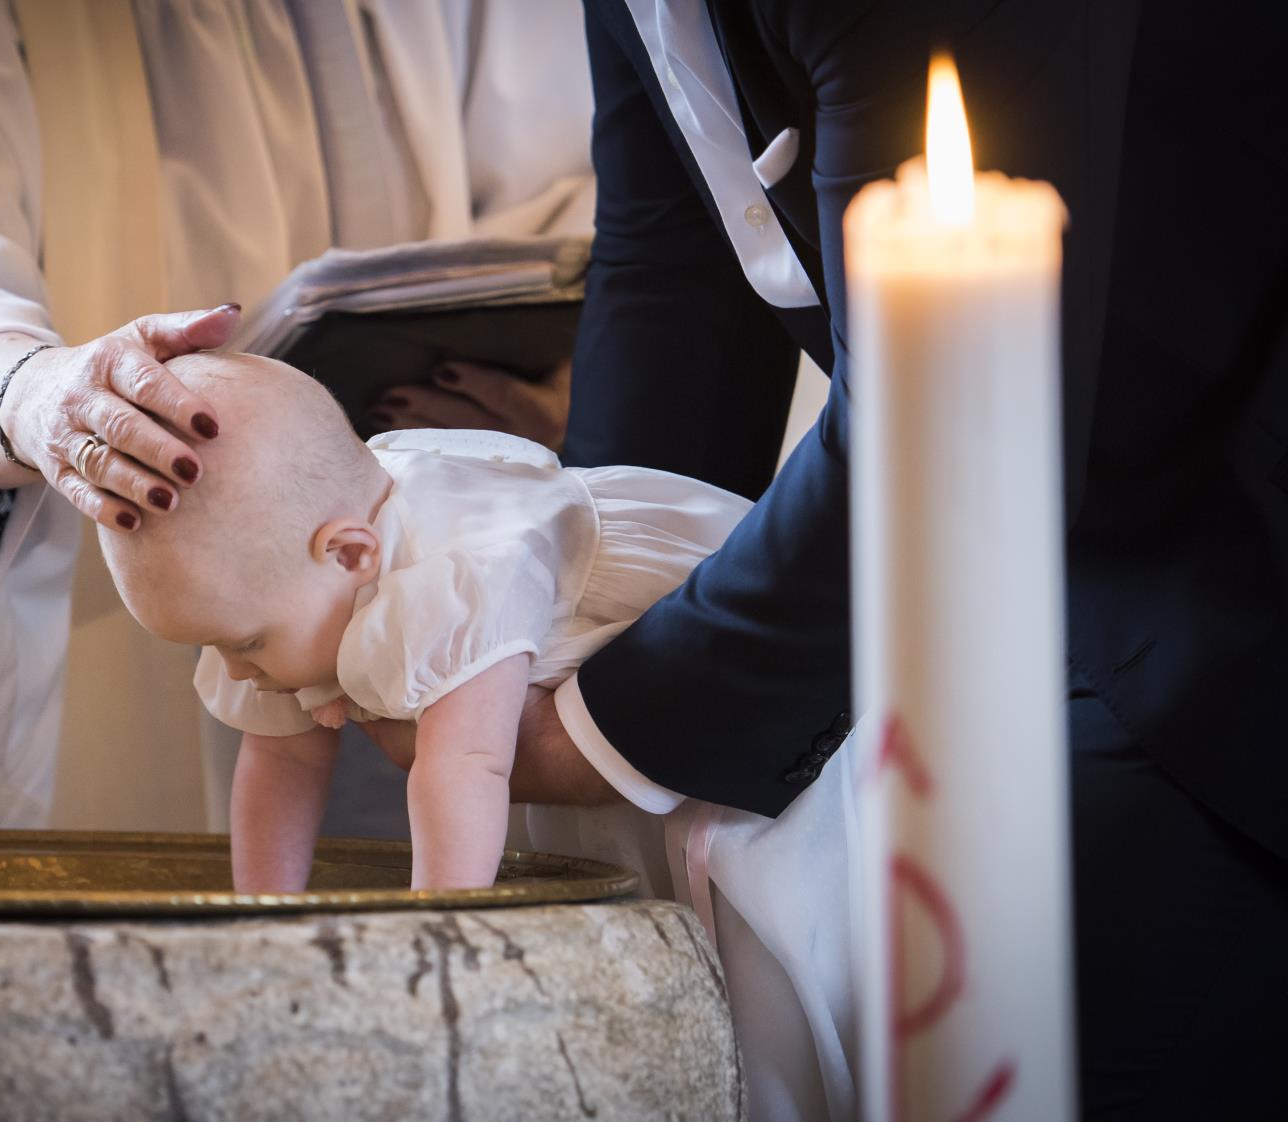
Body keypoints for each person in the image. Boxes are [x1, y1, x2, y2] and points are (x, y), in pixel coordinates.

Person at [369, 1, 1281, 1118]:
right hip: (1041, 547)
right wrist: (579, 596)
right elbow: (674, 274)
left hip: (1229, 572)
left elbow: (939, 413)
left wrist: (603, 726)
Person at [0, 0, 594, 831]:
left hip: (452, 572)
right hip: (107, 624)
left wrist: (562, 376)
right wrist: (39, 397)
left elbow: (584, 189)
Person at [96, 351, 752, 892]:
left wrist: (437, 936)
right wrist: (263, 917)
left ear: (350, 553)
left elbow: (464, 769)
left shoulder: (461, 570)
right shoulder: (279, 586)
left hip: (732, 664)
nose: (235, 668)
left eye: (244, 644)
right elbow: (281, 760)